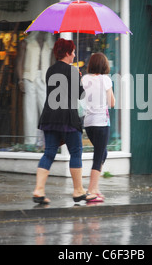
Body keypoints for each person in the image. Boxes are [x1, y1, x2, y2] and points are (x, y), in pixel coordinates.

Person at [32, 38, 97, 204]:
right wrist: (79, 79)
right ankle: (78, 191)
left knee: (49, 153)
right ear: (67, 53)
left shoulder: (50, 71)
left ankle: (39, 190)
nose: (75, 55)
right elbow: (80, 95)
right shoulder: (73, 71)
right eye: (73, 51)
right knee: (76, 152)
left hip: (49, 117)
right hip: (68, 117)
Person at [81, 53, 115, 202]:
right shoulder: (105, 79)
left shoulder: (84, 79)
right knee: (99, 155)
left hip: (88, 123)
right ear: (104, 65)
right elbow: (112, 103)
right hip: (101, 123)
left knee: (103, 153)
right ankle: (91, 191)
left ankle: (95, 188)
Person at [16, 31, 54, 146]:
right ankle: (30, 142)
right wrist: (20, 79)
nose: (44, 31)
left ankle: (47, 141)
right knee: (29, 110)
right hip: (29, 77)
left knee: (46, 110)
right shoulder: (26, 43)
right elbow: (20, 61)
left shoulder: (50, 44)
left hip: (45, 77)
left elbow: (52, 62)